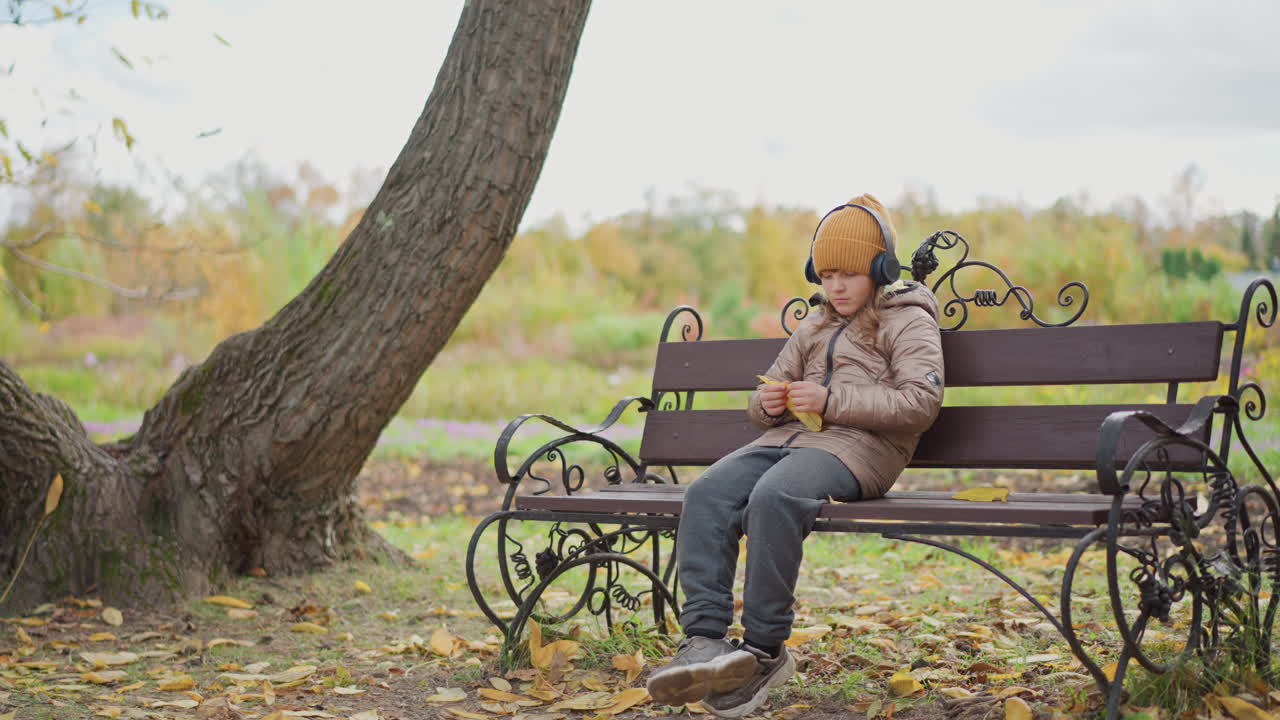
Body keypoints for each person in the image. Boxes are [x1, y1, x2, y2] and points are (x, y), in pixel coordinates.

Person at [644, 194, 946, 718]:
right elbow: (768, 397)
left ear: (879, 269)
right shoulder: (814, 324)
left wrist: (831, 401)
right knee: (708, 492)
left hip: (865, 450)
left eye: (849, 274)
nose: (835, 286)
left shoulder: (908, 321)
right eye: (826, 274)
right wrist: (766, 402)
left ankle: (764, 650)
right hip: (786, 442)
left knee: (774, 496)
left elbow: (920, 403)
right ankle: (704, 640)